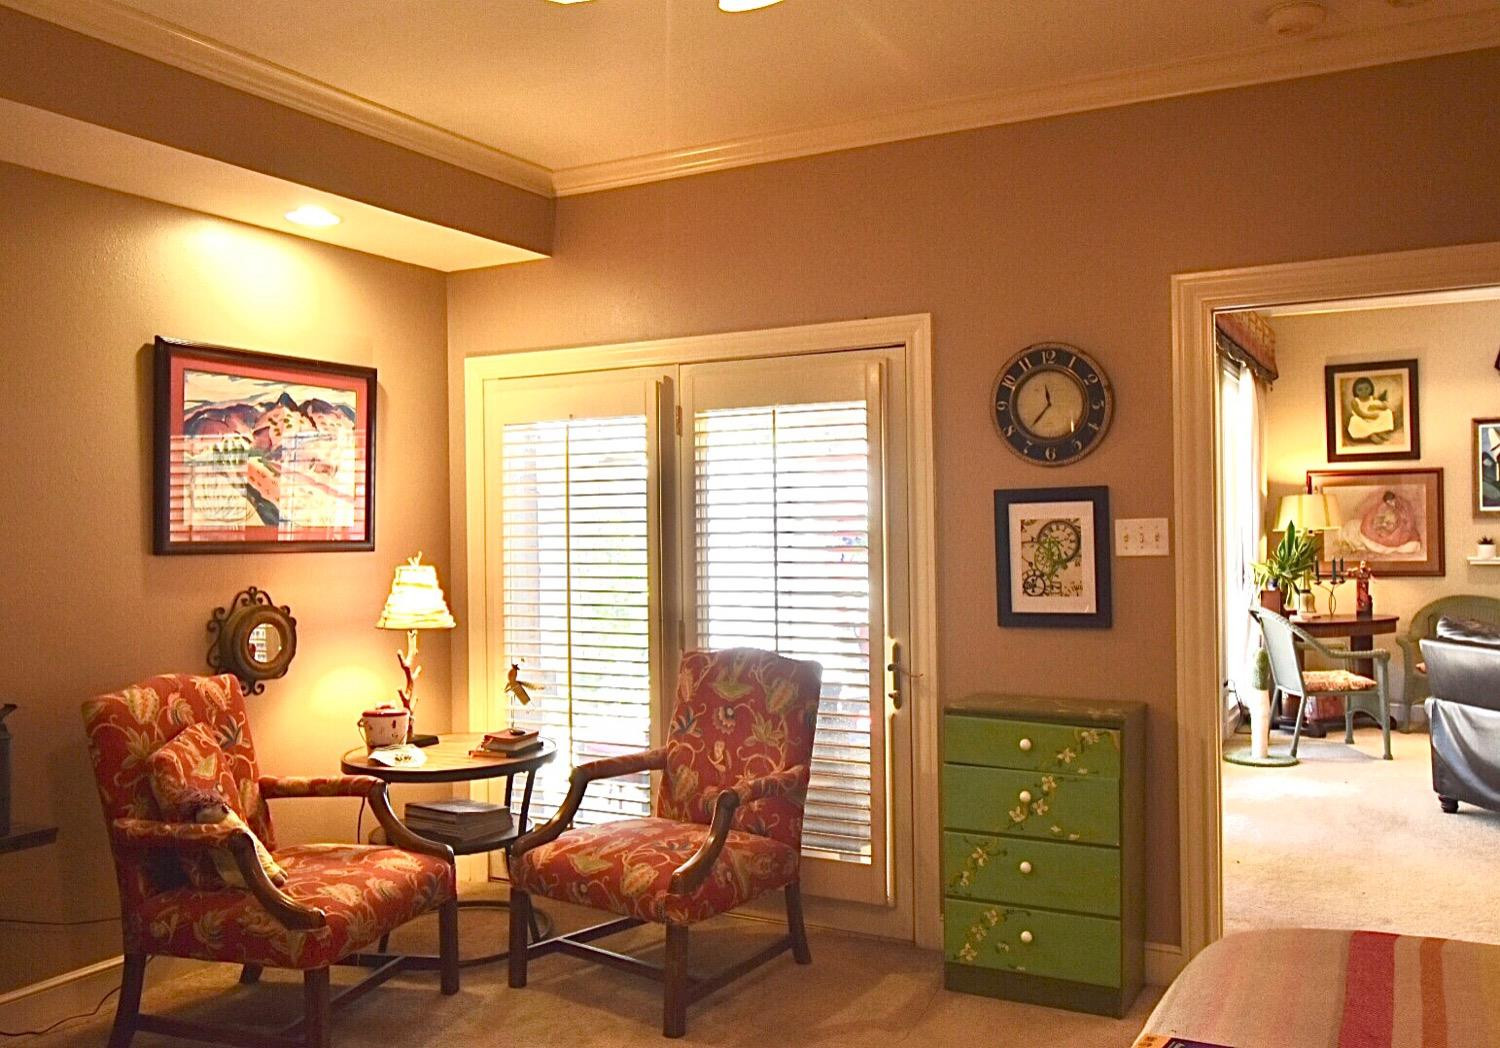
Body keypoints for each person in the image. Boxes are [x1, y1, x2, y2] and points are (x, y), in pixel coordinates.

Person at [1345, 376, 1395, 443]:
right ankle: (1371, 435)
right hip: (1362, 420)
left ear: (1371, 388)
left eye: (1366, 388)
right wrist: (1370, 416)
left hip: (1374, 418)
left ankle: (1380, 432)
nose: (1364, 392)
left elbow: (1384, 407)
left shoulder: (1372, 398)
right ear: (1355, 391)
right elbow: (1359, 413)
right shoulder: (1355, 401)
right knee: (1354, 420)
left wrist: (1376, 406)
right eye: (1360, 390)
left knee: (1387, 412)